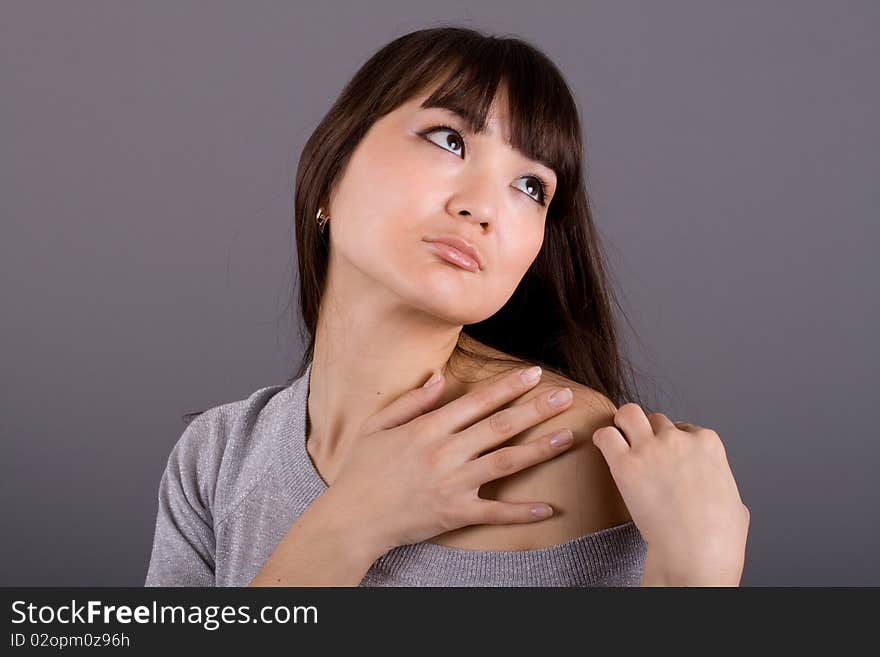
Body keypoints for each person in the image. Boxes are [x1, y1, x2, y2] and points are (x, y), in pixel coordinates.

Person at [145, 25, 749, 587]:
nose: (484, 206)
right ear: (331, 170)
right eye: (448, 139)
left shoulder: (573, 452)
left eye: (530, 186)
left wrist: (698, 576)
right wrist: (350, 522)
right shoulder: (218, 455)